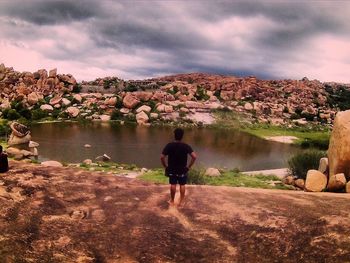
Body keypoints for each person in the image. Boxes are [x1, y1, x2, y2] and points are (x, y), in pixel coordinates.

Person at [161, 128, 197, 206]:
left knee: (173, 184)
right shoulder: (186, 146)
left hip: (172, 169)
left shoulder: (169, 145)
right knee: (182, 185)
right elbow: (194, 156)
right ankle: (181, 202)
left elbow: (162, 157)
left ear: (174, 135)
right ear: (182, 136)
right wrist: (188, 166)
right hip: (182, 169)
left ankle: (172, 201)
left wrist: (165, 166)